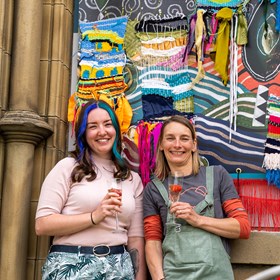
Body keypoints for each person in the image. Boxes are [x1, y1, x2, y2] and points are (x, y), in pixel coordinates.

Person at [35, 99, 146, 280]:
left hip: (119, 268)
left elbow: (135, 238)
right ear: (83, 133)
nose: (102, 132)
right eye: (93, 126)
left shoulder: (132, 179)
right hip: (71, 264)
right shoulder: (68, 167)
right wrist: (95, 216)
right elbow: (42, 225)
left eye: (108, 124)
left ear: (116, 130)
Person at [143, 115, 251, 280]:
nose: (177, 145)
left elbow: (242, 227)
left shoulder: (217, 175)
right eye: (170, 138)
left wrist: (197, 219)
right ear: (161, 145)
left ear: (194, 145)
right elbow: (152, 241)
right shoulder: (153, 189)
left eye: (184, 139)